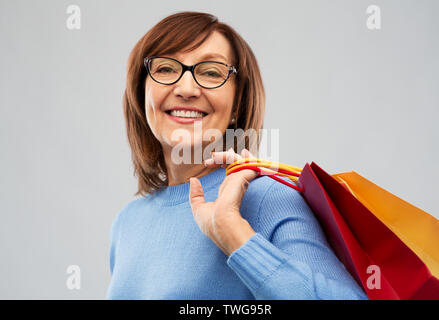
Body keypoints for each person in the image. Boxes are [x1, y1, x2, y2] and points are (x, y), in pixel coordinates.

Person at [106, 11, 368, 300]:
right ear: (141, 91)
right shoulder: (127, 223)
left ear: (237, 102)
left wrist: (235, 235)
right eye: (166, 68)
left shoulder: (269, 199)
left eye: (210, 72)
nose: (186, 89)